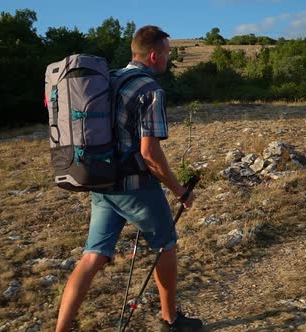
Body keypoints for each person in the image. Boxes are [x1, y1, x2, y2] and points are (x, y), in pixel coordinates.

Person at [55, 25, 203, 332]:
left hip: (101, 181)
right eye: (167, 52)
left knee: (92, 256)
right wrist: (178, 190)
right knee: (166, 244)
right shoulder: (149, 90)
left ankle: (61, 330)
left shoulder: (107, 79)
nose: (169, 58)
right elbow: (149, 153)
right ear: (153, 55)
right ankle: (171, 320)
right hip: (135, 187)